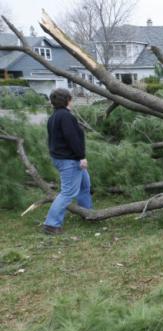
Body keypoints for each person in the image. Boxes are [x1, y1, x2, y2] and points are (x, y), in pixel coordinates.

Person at [43, 88, 93, 235]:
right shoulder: (65, 116)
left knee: (85, 185)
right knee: (68, 193)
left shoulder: (54, 117)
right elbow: (72, 139)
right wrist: (81, 157)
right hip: (69, 160)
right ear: (67, 100)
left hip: (63, 158)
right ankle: (51, 224)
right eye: (71, 99)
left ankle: (87, 213)